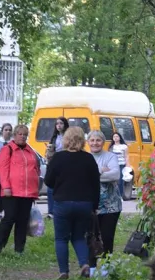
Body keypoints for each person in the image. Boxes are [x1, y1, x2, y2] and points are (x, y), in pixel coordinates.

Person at [45, 126, 100, 279]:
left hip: (63, 202)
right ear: (83, 140)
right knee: (78, 237)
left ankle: (64, 271)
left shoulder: (58, 158)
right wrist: (94, 206)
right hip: (84, 204)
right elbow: (96, 185)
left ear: (65, 139)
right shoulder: (89, 158)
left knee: (61, 239)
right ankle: (84, 264)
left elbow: (48, 182)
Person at [0, 125, 41, 255]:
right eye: (20, 134)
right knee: (9, 218)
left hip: (27, 192)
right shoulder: (7, 149)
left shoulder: (30, 150)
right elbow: (2, 170)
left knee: (23, 221)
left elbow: (36, 169)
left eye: (25, 134)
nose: (22, 136)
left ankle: (19, 249)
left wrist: (35, 190)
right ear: (14, 135)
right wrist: (6, 187)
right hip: (11, 191)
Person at [87, 130, 122, 265]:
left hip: (111, 207)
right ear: (88, 142)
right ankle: (92, 269)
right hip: (91, 207)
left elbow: (115, 175)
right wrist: (102, 170)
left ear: (103, 142)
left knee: (107, 238)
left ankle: (107, 270)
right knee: (91, 238)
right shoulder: (85, 157)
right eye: (92, 140)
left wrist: (93, 174)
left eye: (98, 140)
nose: (95, 143)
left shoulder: (110, 156)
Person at [47, 117, 69, 219]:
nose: (59, 125)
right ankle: (51, 211)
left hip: (66, 162)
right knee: (51, 187)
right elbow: (51, 151)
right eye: (57, 124)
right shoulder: (54, 137)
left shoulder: (69, 136)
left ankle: (63, 210)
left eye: (61, 123)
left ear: (65, 124)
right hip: (55, 162)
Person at [108, 132, 129, 198]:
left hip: (121, 165)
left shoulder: (124, 146)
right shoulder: (111, 147)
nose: (115, 138)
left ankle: (119, 196)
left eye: (117, 136)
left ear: (119, 137)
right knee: (113, 181)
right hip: (113, 166)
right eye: (114, 137)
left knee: (120, 181)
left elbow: (126, 156)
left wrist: (127, 165)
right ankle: (113, 195)